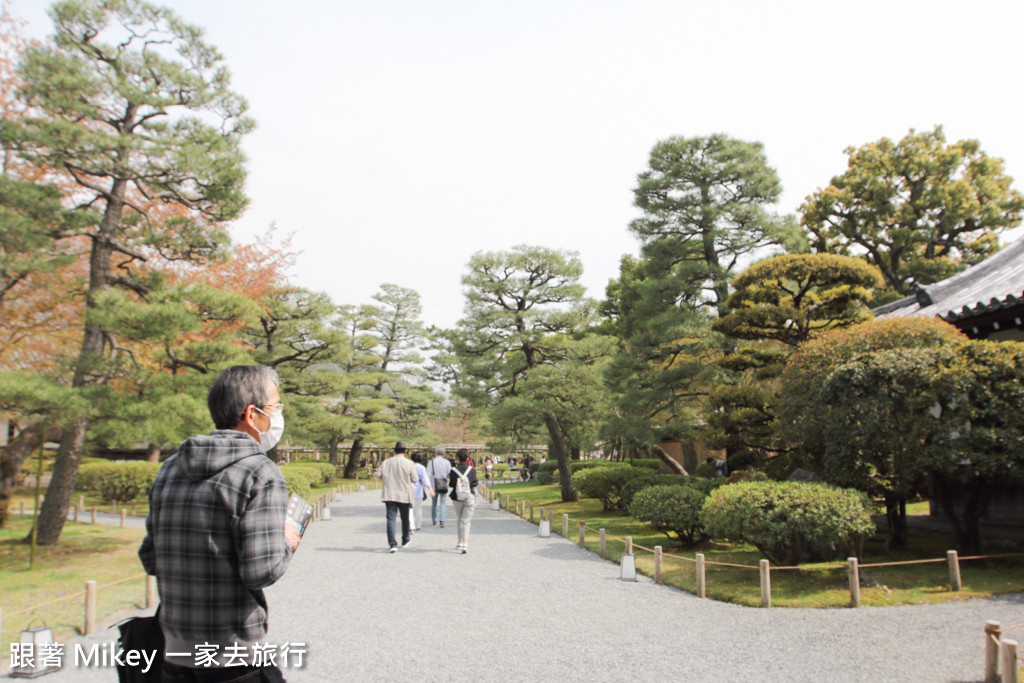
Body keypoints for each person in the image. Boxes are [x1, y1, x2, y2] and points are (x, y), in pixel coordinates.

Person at [139, 365, 299, 683]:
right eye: (275, 407)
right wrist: (287, 540)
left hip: (174, 656)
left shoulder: (170, 467)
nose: (278, 415)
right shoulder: (259, 472)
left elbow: (150, 558)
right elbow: (261, 570)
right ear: (251, 415)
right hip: (234, 658)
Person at [376, 441, 419, 552]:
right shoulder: (409, 463)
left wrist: (386, 480)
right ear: (405, 451)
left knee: (391, 519)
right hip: (404, 494)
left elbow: (378, 474)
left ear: (394, 451)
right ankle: (405, 539)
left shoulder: (386, 462)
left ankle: (392, 544)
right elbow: (415, 479)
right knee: (405, 519)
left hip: (390, 493)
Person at [448, 448, 479, 554]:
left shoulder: (453, 470)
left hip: (457, 497)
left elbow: (451, 484)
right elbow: (474, 483)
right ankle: (465, 543)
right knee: (466, 521)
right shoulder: (472, 470)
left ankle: (460, 541)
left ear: (457, 458)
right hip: (469, 496)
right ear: (468, 458)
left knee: (459, 519)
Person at [428, 446, 452, 527]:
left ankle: (434, 519)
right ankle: (442, 520)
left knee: (434, 503)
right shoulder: (447, 462)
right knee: (443, 503)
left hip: (434, 485)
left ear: (436, 453)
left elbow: (429, 475)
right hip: (443, 485)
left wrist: (428, 486)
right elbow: (450, 473)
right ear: (444, 454)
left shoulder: (431, 462)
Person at [410, 452, 433, 532]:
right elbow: (425, 479)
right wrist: (430, 489)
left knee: (410, 508)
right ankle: (418, 525)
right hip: (419, 489)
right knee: (418, 508)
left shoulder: (409, 466)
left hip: (409, 489)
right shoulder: (422, 467)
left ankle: (411, 525)